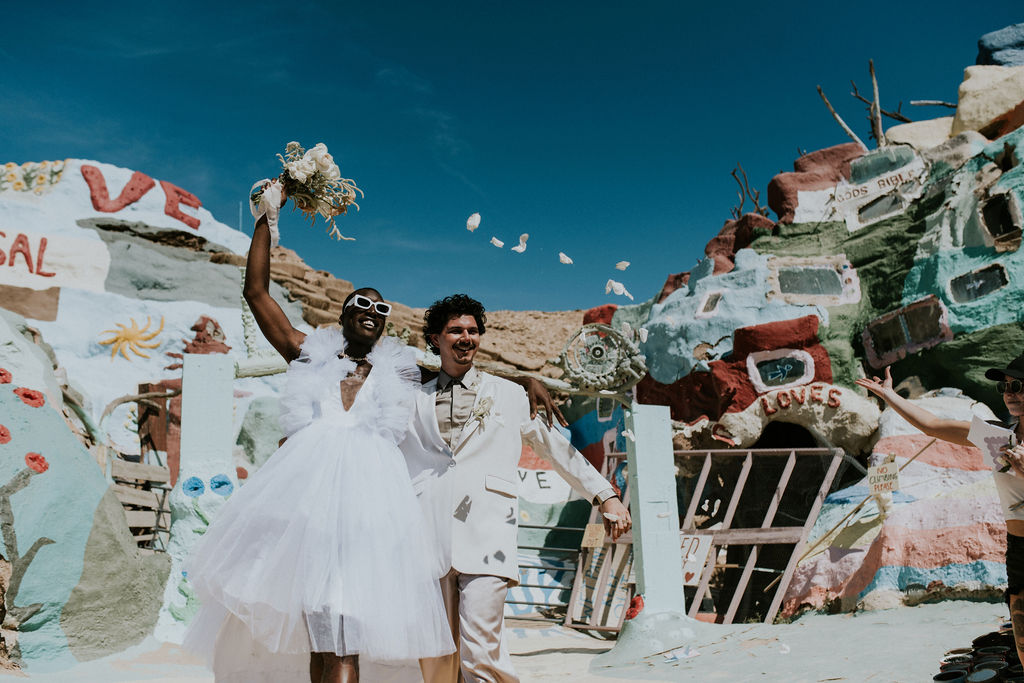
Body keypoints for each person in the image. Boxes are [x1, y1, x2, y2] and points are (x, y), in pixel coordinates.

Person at [181, 199, 454, 682]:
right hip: (306, 504)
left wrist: (528, 384)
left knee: (345, 638)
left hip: (369, 511)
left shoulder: (402, 371)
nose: (372, 311)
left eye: (381, 308)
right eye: (362, 304)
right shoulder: (308, 353)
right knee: (320, 636)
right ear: (344, 315)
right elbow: (257, 292)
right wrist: (267, 220)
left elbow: (461, 366)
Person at [401, 294, 633, 683]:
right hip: (427, 533)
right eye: (456, 330)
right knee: (436, 654)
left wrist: (605, 495)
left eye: (473, 331)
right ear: (435, 338)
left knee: (481, 649)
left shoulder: (509, 395)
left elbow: (555, 448)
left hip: (488, 533)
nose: (466, 338)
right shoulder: (411, 400)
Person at [857, 358, 1024, 666]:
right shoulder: (999, 438)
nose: (1010, 393)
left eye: (1018, 386)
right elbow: (931, 425)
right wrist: (889, 397)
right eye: (1005, 386)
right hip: (1018, 552)